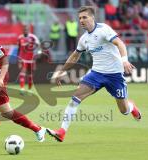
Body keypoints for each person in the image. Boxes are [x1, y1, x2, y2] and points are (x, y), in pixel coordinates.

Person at [47, 6, 141, 142]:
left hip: (114, 75)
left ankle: (132, 107)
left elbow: (120, 43)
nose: (81, 20)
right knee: (75, 98)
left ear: (92, 17)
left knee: (124, 110)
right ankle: (62, 131)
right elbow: (74, 56)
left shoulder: (104, 30)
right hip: (96, 74)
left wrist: (124, 60)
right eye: (79, 18)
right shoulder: (84, 39)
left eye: (84, 17)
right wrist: (61, 71)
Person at [17, 25, 40, 95]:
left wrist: (36, 57)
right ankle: (22, 89)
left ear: (29, 30)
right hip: (23, 58)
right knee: (23, 72)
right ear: (23, 30)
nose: (25, 30)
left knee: (30, 74)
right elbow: (19, 48)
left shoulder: (33, 37)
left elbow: (38, 46)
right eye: (24, 29)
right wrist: (18, 59)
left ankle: (29, 89)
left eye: (27, 29)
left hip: (31, 59)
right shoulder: (20, 37)